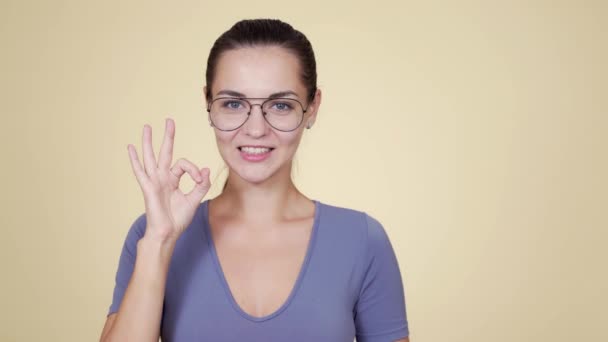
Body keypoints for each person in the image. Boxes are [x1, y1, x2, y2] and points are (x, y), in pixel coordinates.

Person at [99, 18, 410, 342]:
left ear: (312, 107)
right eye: (233, 103)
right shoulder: (151, 234)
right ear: (208, 103)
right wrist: (159, 242)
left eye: (280, 105)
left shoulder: (361, 241)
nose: (256, 129)